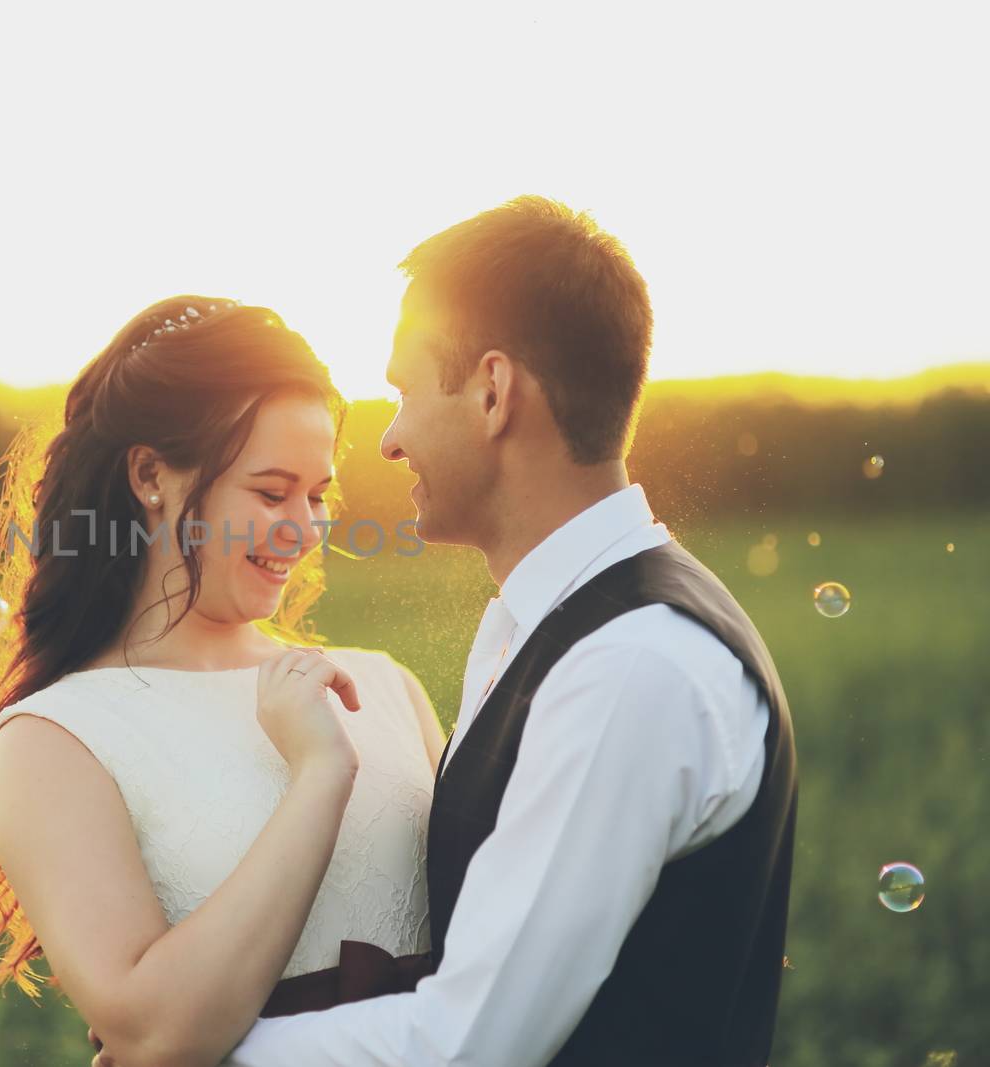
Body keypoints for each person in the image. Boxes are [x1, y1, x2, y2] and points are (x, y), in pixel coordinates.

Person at [94, 196, 798, 1066]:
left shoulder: (629, 663)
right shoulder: (546, 628)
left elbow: (472, 1040)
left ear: (493, 392)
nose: (388, 440)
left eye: (403, 389)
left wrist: (197, 1053)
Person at [0, 295, 447, 1067]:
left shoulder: (383, 686)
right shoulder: (57, 737)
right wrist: (319, 775)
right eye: (270, 491)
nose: (306, 527)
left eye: (318, 495)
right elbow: (155, 1036)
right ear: (151, 475)